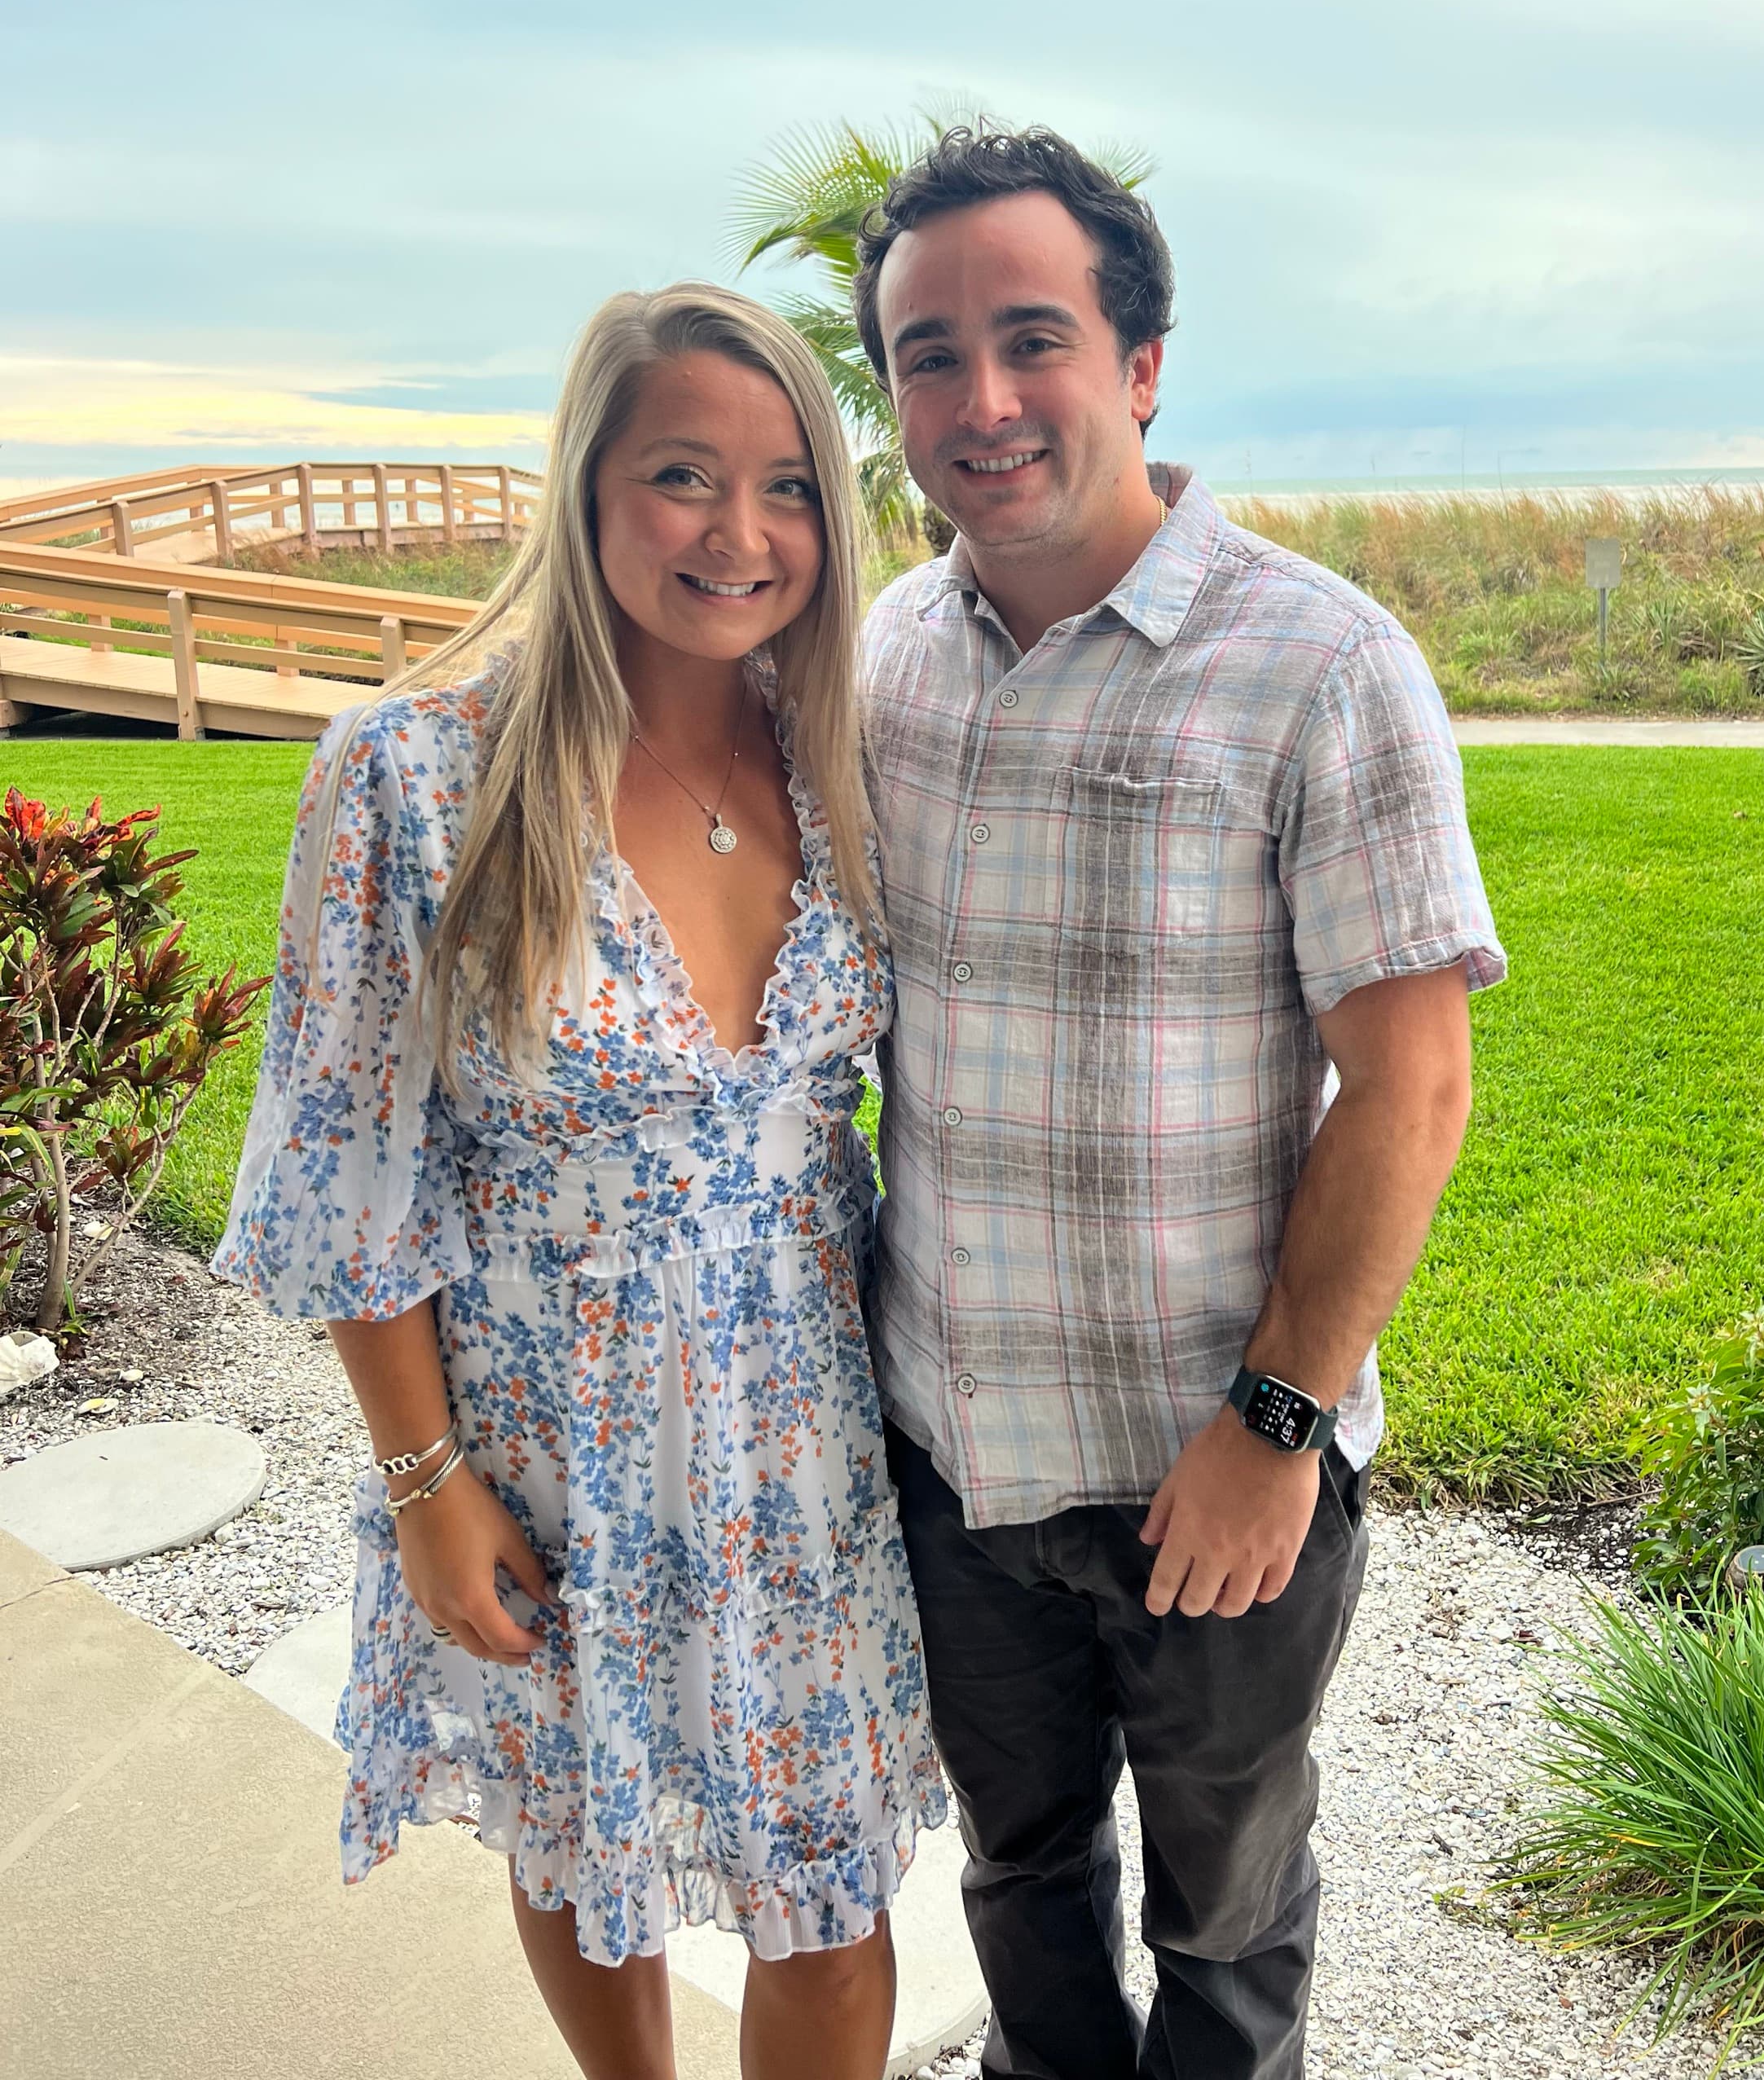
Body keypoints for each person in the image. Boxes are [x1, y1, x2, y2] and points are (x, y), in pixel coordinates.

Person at [214, 285, 945, 2080]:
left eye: (787, 486)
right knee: (582, 1842)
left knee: (834, 1904)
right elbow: (349, 1171)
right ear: (592, 480)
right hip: (549, 1438)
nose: (740, 531)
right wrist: (423, 1483)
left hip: (813, 1449)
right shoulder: (415, 770)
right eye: (685, 473)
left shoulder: (836, 750)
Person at [853, 130, 1507, 2080]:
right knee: (1015, 1870)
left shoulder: (1322, 664)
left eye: (1031, 337)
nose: (981, 399)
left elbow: (1415, 1079)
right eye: (926, 351)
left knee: (1225, 1916)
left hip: (1209, 1472)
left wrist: (1278, 1418)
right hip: (952, 1453)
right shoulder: (884, 656)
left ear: (1140, 364)